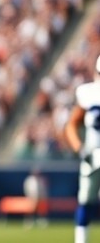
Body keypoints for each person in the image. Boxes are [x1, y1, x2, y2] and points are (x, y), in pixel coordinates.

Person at [64, 53, 100, 243]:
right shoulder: (89, 92)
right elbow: (71, 125)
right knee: (85, 200)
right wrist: (79, 148)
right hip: (93, 154)